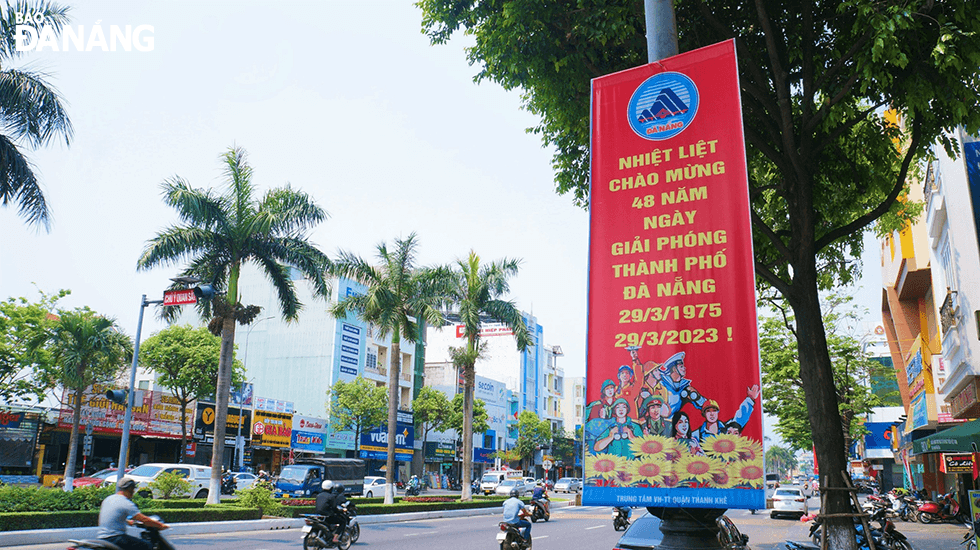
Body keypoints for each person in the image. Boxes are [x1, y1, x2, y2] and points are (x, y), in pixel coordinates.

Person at [98, 477, 168, 550]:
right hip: (115, 537)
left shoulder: (108, 499)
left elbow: (114, 516)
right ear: (130, 489)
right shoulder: (126, 503)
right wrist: (161, 525)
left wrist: (128, 522)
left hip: (103, 537)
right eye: (133, 489)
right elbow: (144, 519)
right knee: (147, 545)